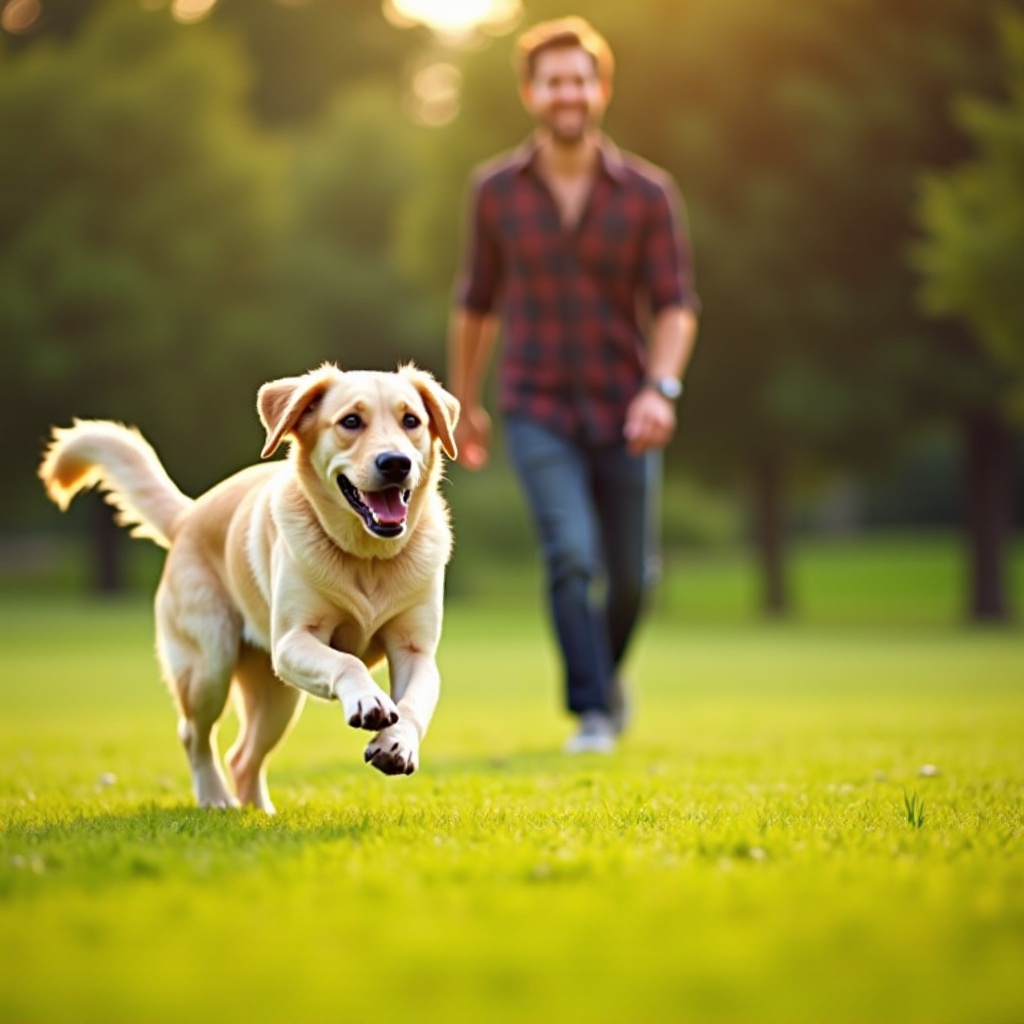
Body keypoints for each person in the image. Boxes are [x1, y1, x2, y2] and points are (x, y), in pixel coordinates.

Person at [448, 16, 700, 753]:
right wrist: (466, 404)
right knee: (570, 555)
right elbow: (475, 303)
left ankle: (603, 676)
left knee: (632, 580)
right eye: (554, 81)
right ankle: (592, 712)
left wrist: (662, 388)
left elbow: (677, 304)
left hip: (626, 405)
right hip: (536, 405)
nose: (569, 94)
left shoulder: (649, 195)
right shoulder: (494, 192)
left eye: (580, 80)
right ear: (531, 92)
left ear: (602, 89)